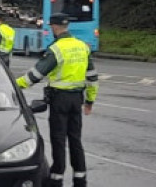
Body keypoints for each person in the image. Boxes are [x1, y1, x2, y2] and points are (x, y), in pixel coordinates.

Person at [15, 14, 99, 187]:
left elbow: (35, 75)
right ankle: (80, 178)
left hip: (60, 99)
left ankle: (56, 178)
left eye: (51, 26)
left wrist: (13, 85)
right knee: (75, 139)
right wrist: (90, 101)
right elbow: (92, 77)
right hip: (77, 99)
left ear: (54, 27)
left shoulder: (57, 49)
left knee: (58, 139)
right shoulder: (82, 47)